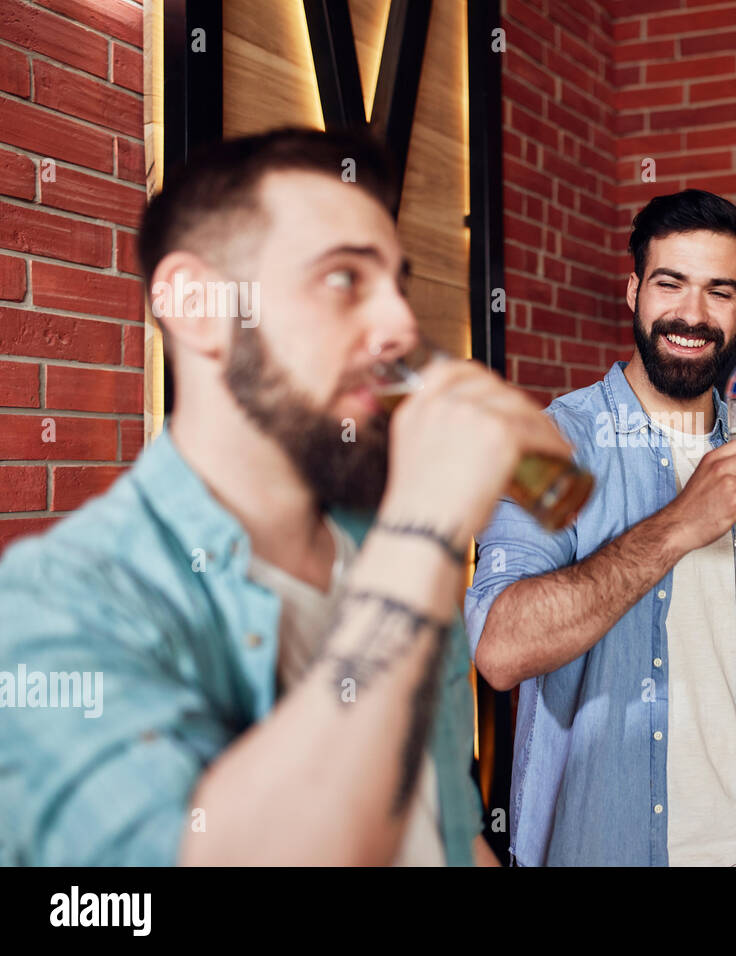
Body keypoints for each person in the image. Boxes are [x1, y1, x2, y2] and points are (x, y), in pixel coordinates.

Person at [0, 128, 571, 866]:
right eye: (343, 279)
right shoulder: (59, 606)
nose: (401, 323)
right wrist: (425, 527)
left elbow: (445, 831)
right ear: (198, 305)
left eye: (397, 283)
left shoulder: (378, 545)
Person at [466, 189, 736, 866]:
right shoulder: (551, 444)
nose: (692, 314)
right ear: (634, 291)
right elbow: (501, 650)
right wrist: (680, 522)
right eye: (670, 283)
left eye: (719, 291)